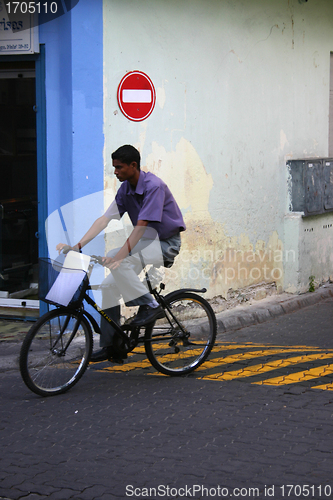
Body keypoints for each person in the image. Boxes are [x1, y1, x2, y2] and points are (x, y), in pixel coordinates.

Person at [56, 145, 186, 362]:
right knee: (108, 287)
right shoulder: (125, 189)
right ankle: (112, 345)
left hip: (165, 243)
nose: (115, 171)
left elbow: (142, 225)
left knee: (121, 260)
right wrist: (78, 245)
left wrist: (119, 258)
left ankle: (150, 305)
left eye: (119, 167)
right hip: (145, 242)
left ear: (133, 166)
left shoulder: (154, 187)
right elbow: (104, 220)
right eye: (114, 167)